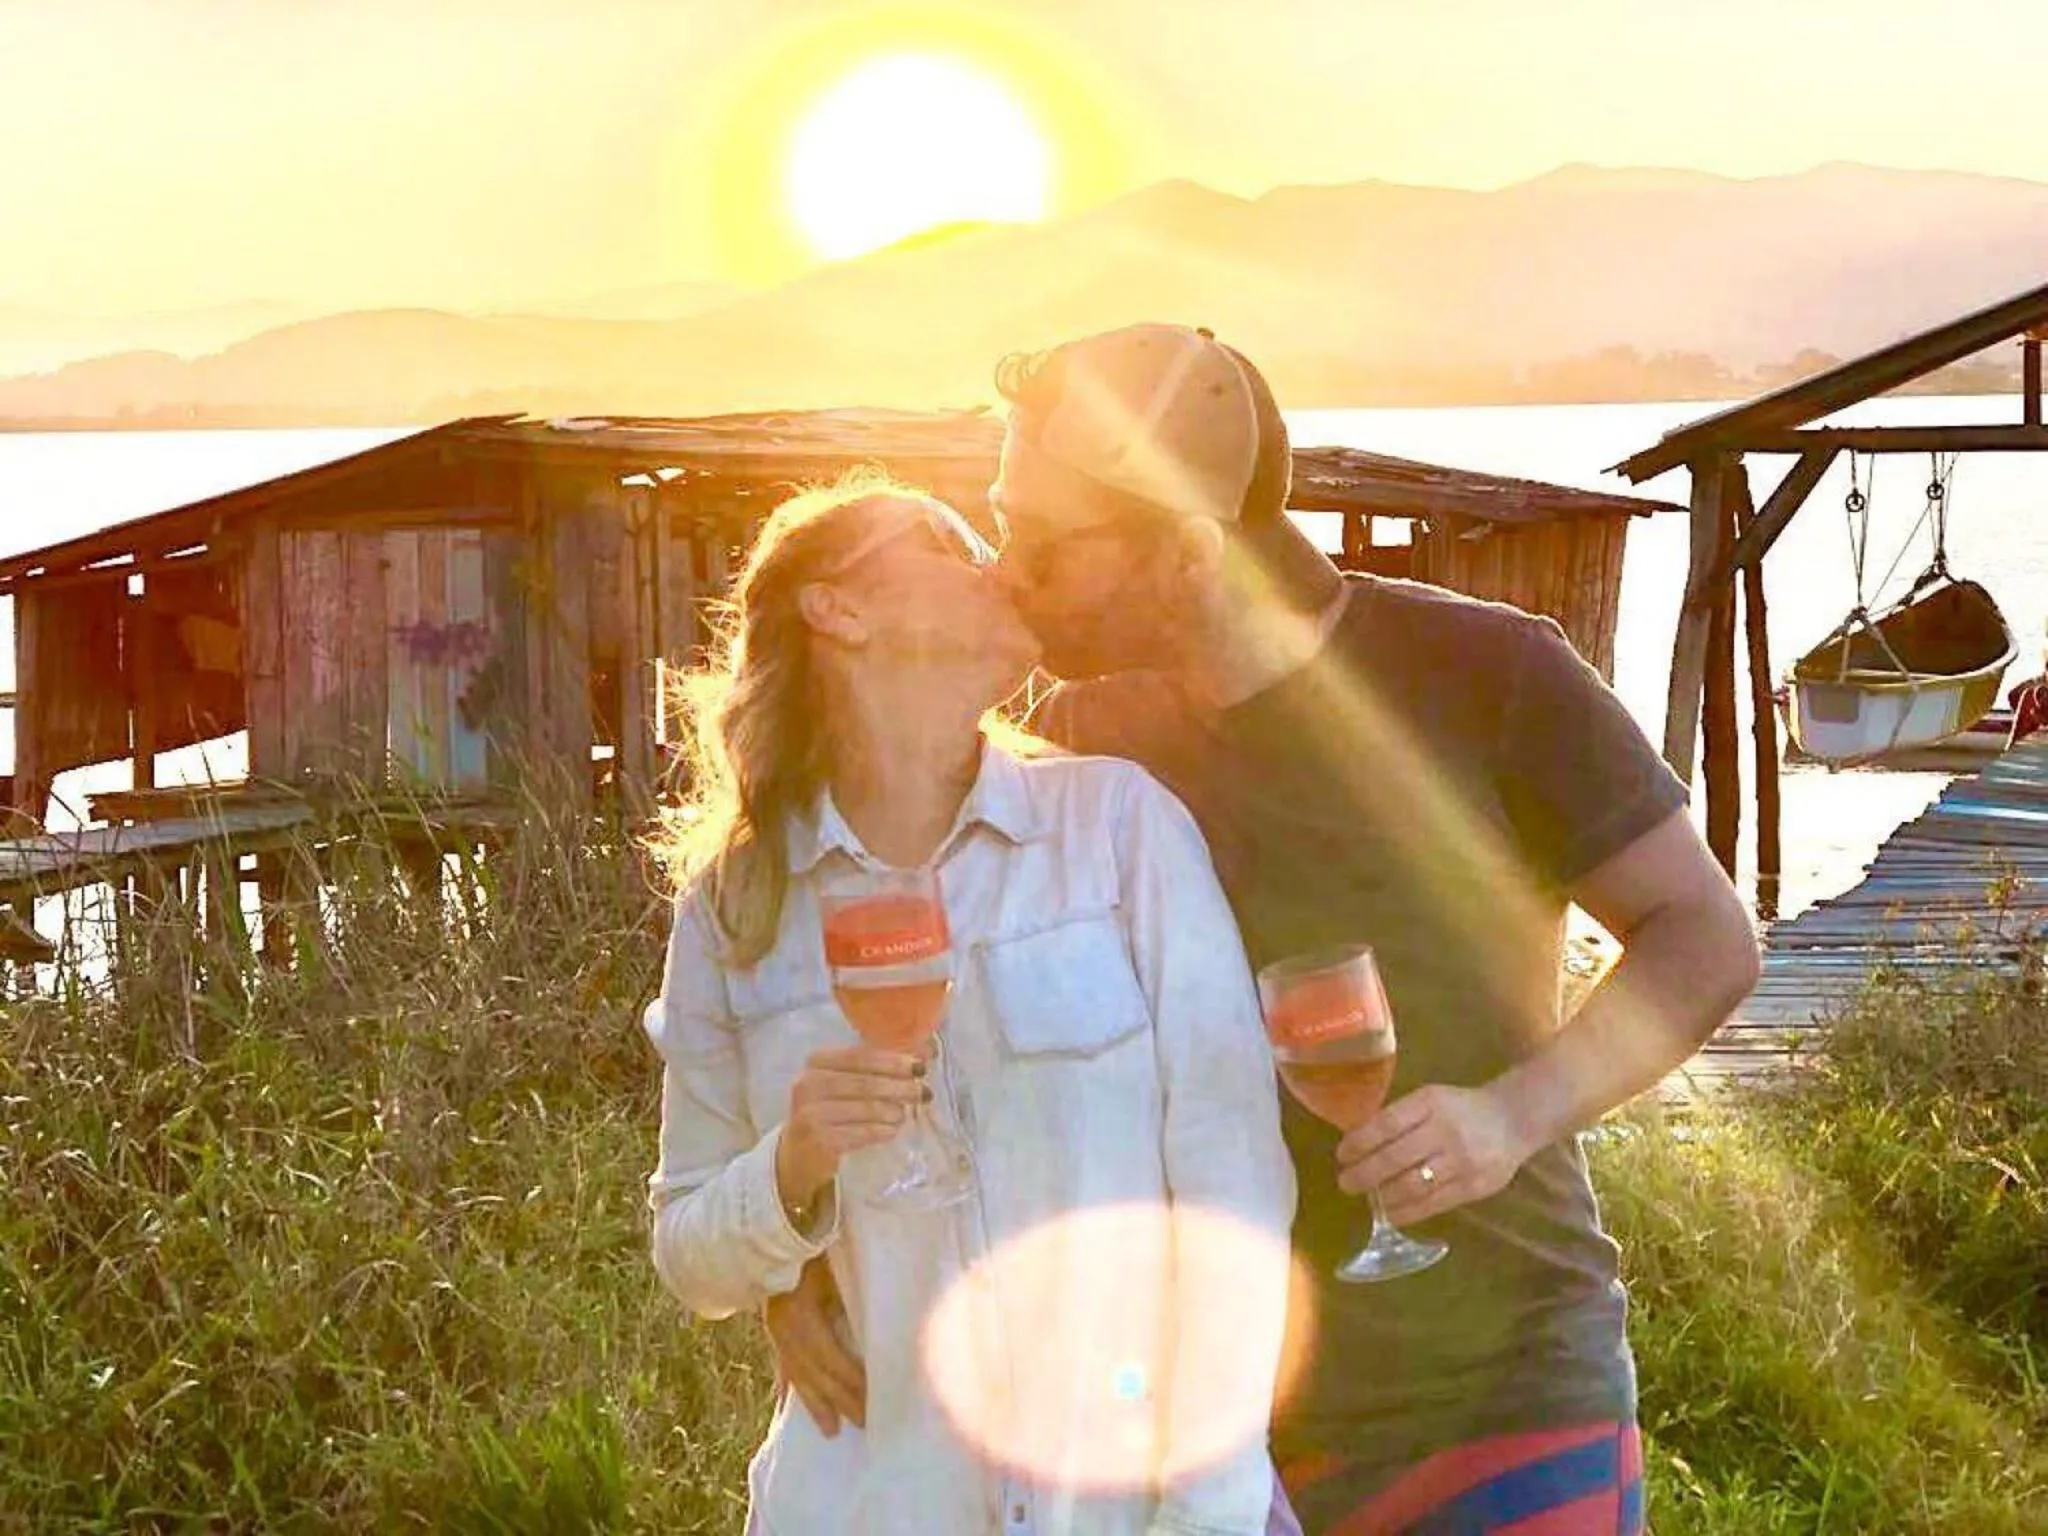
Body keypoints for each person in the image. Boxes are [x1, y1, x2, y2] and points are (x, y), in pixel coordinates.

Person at [769, 328, 1762, 1534]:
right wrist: (804, 1261)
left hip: (1495, 1395)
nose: (1006, 573)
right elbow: (923, 1017)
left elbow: (1704, 936)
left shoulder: (1487, 677)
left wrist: (1511, 1115)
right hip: (1204, 1437)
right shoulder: (1076, 744)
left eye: (1043, 544)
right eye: (998, 523)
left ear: (1186, 556)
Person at [640, 475, 1298, 1535]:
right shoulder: (736, 909)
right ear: (837, 610)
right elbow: (689, 1258)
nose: (997, 566)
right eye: (945, 543)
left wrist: (1203, 1514)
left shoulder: (1116, 831)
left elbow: (1233, 1196)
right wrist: (795, 1164)